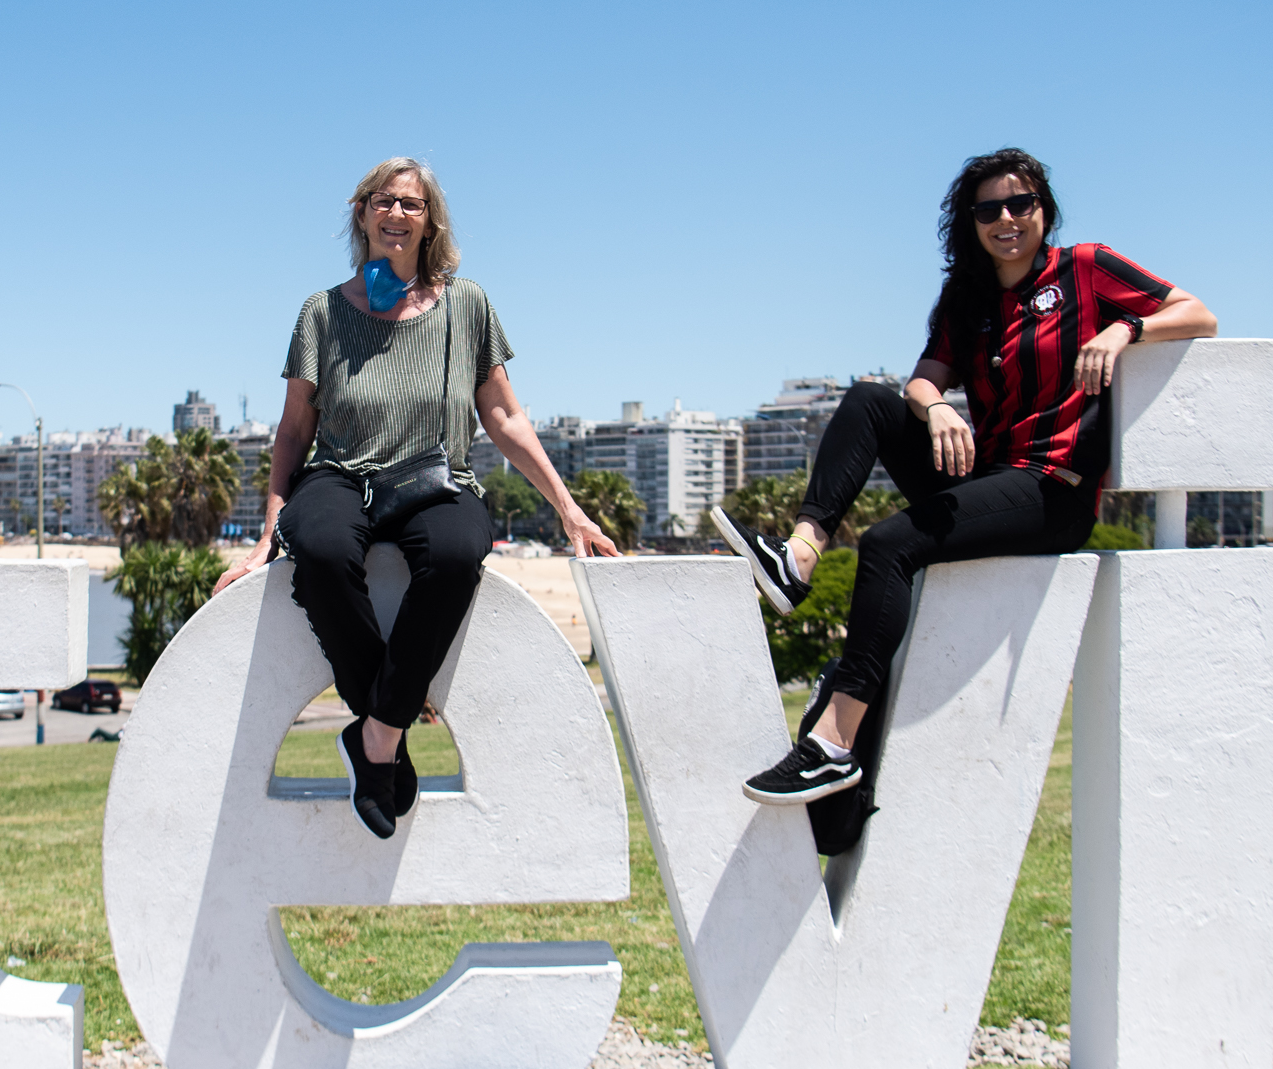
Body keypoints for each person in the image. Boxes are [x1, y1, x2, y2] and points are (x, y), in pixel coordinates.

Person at [714, 148, 1215, 810]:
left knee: (891, 542)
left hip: (1050, 489)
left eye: (1021, 204)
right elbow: (924, 376)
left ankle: (832, 746)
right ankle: (798, 558)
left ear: (1044, 209)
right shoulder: (966, 299)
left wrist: (1124, 328)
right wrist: (934, 406)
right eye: (989, 209)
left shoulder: (1085, 269)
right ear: (971, 222)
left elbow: (1198, 314)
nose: (1006, 218)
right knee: (870, 399)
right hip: (982, 475)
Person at [217, 158, 621, 839]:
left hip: (435, 476)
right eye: (384, 201)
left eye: (411, 204)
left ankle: (373, 736)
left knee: (461, 552)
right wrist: (266, 536)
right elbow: (293, 432)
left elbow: (504, 417)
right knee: (317, 546)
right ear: (362, 213)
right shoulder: (321, 314)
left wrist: (567, 507)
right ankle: (389, 724)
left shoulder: (467, 306)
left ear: (430, 221)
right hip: (340, 474)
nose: (396, 214)